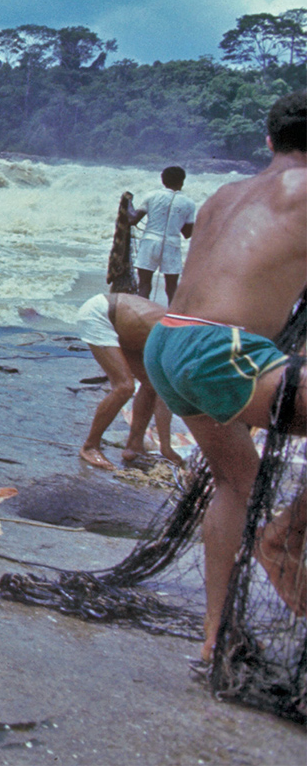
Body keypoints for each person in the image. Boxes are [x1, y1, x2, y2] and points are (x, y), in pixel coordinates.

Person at [142, 90, 307, 661]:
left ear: (268, 140)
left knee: (239, 483)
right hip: (221, 350)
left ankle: (216, 637)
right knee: (245, 487)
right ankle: (285, 534)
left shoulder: (222, 195)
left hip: (168, 344)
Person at [73, 292, 179, 469]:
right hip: (99, 313)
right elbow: (166, 396)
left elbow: (161, 390)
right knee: (124, 387)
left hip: (126, 328)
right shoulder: (179, 341)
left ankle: (134, 446)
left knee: (151, 385)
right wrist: (166, 448)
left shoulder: (185, 338)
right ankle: (90, 446)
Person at [129, 166, 197, 303]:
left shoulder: (151, 196)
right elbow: (187, 233)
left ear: (162, 180)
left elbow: (133, 220)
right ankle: (173, 319)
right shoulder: (189, 203)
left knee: (144, 285)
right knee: (172, 287)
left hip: (150, 242)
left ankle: (141, 312)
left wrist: (128, 202)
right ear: (182, 182)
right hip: (172, 245)